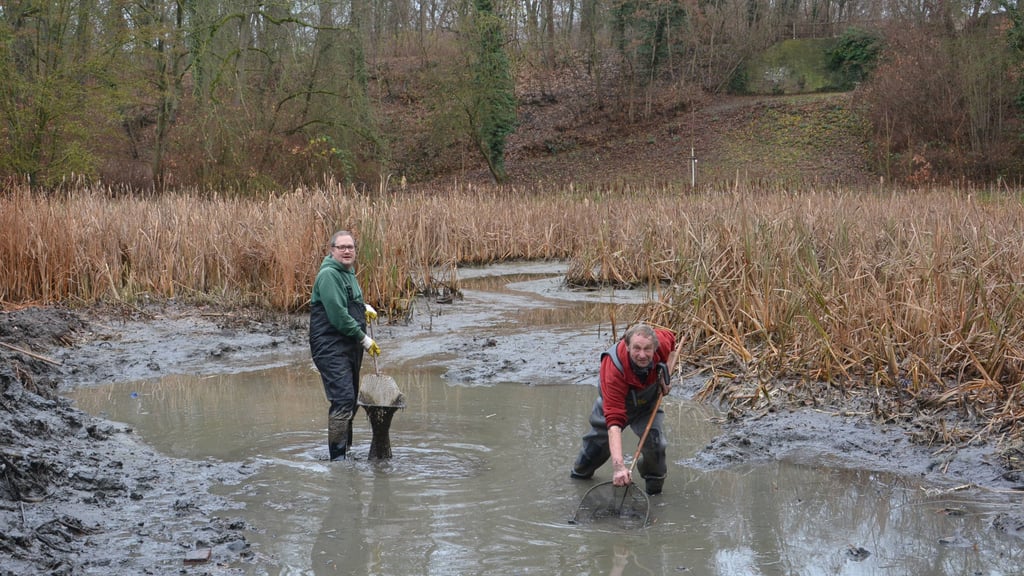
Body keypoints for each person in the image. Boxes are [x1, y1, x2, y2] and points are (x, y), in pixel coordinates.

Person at [570, 323, 677, 494]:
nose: (642, 355)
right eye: (636, 348)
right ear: (627, 346)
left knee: (656, 446)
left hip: (647, 405)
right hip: (614, 406)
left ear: (655, 347)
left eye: (647, 349)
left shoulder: (661, 342)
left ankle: (654, 493)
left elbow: (673, 344)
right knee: (593, 452)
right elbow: (614, 423)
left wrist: (666, 377)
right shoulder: (613, 368)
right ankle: (578, 479)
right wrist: (618, 466)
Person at [309, 230, 381, 461]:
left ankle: (346, 451)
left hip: (348, 345)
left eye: (350, 247)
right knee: (342, 400)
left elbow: (348, 301)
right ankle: (338, 459)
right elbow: (338, 315)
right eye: (342, 247)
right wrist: (364, 338)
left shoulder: (348, 272)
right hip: (330, 345)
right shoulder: (329, 274)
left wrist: (363, 308)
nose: (347, 251)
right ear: (332, 250)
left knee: (350, 401)